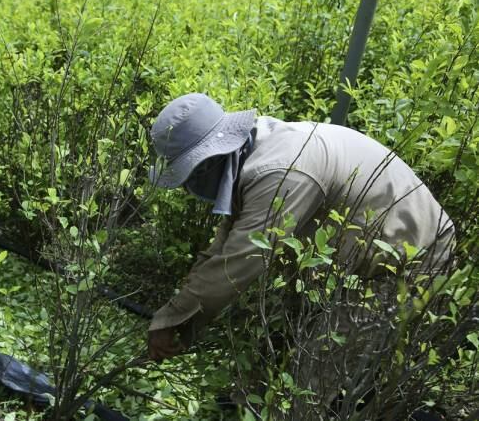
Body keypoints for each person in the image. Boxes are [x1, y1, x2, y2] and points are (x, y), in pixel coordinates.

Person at [145, 93, 455, 414]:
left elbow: (239, 262)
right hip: (353, 259)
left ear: (209, 162)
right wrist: (175, 316)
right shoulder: (248, 156)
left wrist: (173, 321)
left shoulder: (279, 170)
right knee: (276, 326)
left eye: (188, 176)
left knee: (315, 369)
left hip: (405, 263)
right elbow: (221, 250)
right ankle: (245, 406)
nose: (186, 188)